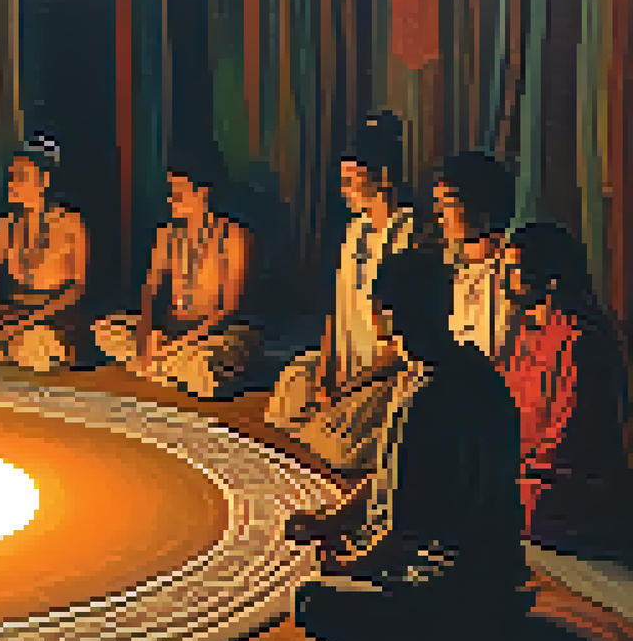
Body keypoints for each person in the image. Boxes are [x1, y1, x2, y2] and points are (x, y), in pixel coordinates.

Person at [286, 244, 533, 641]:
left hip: (444, 590)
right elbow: (389, 476)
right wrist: (335, 519)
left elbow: (400, 535)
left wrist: (346, 565)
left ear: (390, 315)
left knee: (309, 599)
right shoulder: (473, 372)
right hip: (494, 580)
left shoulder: (428, 398)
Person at [266, 112, 418, 473]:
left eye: (352, 180)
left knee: (343, 443)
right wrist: (325, 371)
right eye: (343, 181)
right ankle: (327, 418)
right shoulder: (354, 232)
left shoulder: (409, 235)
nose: (345, 190)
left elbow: (405, 338)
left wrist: (350, 385)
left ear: (383, 177)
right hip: (346, 366)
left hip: (384, 372)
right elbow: (338, 311)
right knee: (288, 393)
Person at [496, 223, 631, 565]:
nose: (504, 279)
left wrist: (515, 467)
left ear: (550, 279)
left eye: (514, 269)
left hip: (567, 490)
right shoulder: (527, 334)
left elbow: (569, 437)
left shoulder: (579, 340)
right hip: (531, 476)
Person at [92, 145, 262, 397]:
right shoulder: (167, 234)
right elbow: (150, 293)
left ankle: (171, 365)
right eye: (170, 192)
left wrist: (179, 343)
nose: (170, 199)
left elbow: (228, 309)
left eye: (178, 193)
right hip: (172, 327)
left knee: (228, 352)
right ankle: (165, 365)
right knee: (104, 329)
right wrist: (147, 336)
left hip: (212, 333)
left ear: (202, 192)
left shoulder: (233, 236)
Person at [0, 133, 90, 373]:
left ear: (43, 181)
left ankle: (26, 347)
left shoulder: (70, 223)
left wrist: (35, 317)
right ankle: (14, 344)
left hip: (53, 312)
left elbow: (77, 287)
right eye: (11, 176)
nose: (12, 184)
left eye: (20, 177)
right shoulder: (7, 224)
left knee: (40, 339)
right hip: (15, 309)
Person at [430, 150, 517, 359]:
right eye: (437, 203)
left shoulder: (514, 269)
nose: (439, 214)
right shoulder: (450, 271)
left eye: (448, 203)